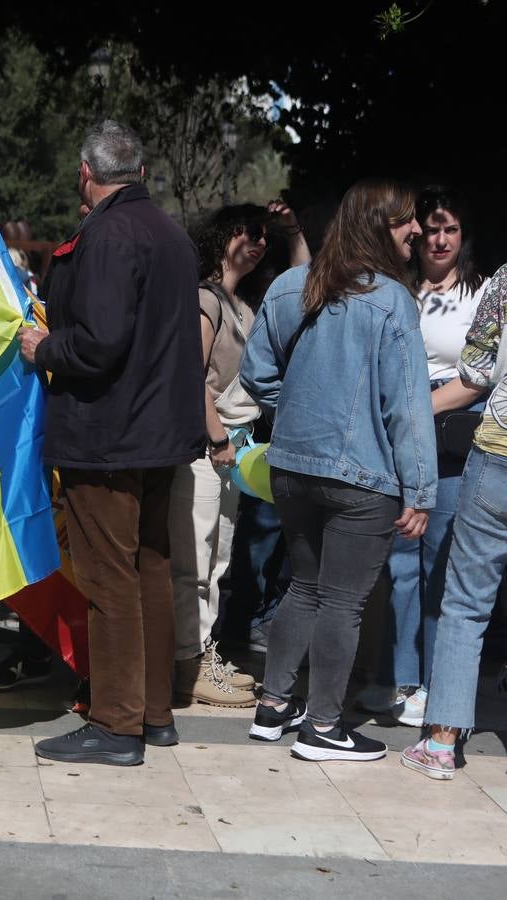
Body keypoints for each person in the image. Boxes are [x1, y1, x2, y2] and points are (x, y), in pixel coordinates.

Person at [18, 120, 204, 766]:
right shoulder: (172, 233)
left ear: (85, 175)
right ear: (143, 173)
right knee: (150, 568)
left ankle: (117, 723)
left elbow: (98, 342)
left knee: (109, 578)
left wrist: (45, 347)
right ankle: (153, 714)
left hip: (107, 437)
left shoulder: (108, 234)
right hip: (157, 437)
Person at [240, 178, 436, 762]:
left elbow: (257, 373)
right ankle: (324, 727)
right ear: (380, 225)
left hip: (292, 469)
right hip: (361, 477)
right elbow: (408, 405)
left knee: (305, 585)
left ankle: (274, 707)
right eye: (407, 220)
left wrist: (299, 410)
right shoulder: (391, 301)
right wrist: (421, 490)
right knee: (343, 602)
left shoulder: (289, 285)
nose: (419, 230)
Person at [169, 203, 310, 708]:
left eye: (264, 237)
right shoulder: (205, 299)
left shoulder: (243, 304)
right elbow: (191, 375)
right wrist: (217, 441)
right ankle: (189, 663)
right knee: (195, 562)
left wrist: (292, 230)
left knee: (219, 559)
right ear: (225, 236)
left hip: (231, 450)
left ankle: (201, 653)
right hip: (207, 448)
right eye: (250, 233)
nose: (258, 243)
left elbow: (306, 280)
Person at [358, 186, 488, 727]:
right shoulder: (399, 287)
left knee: (440, 565)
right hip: (395, 440)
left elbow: (482, 377)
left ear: (464, 235)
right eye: (431, 229)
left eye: (449, 229)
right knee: (396, 564)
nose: (438, 239)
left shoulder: (483, 294)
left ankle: (436, 685)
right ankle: (399, 678)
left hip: (451, 442)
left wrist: (418, 407)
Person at [402, 262, 507, 779]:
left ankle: (441, 744)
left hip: (496, 455)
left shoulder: (504, 280)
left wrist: (406, 407)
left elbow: (476, 371)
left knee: (465, 603)